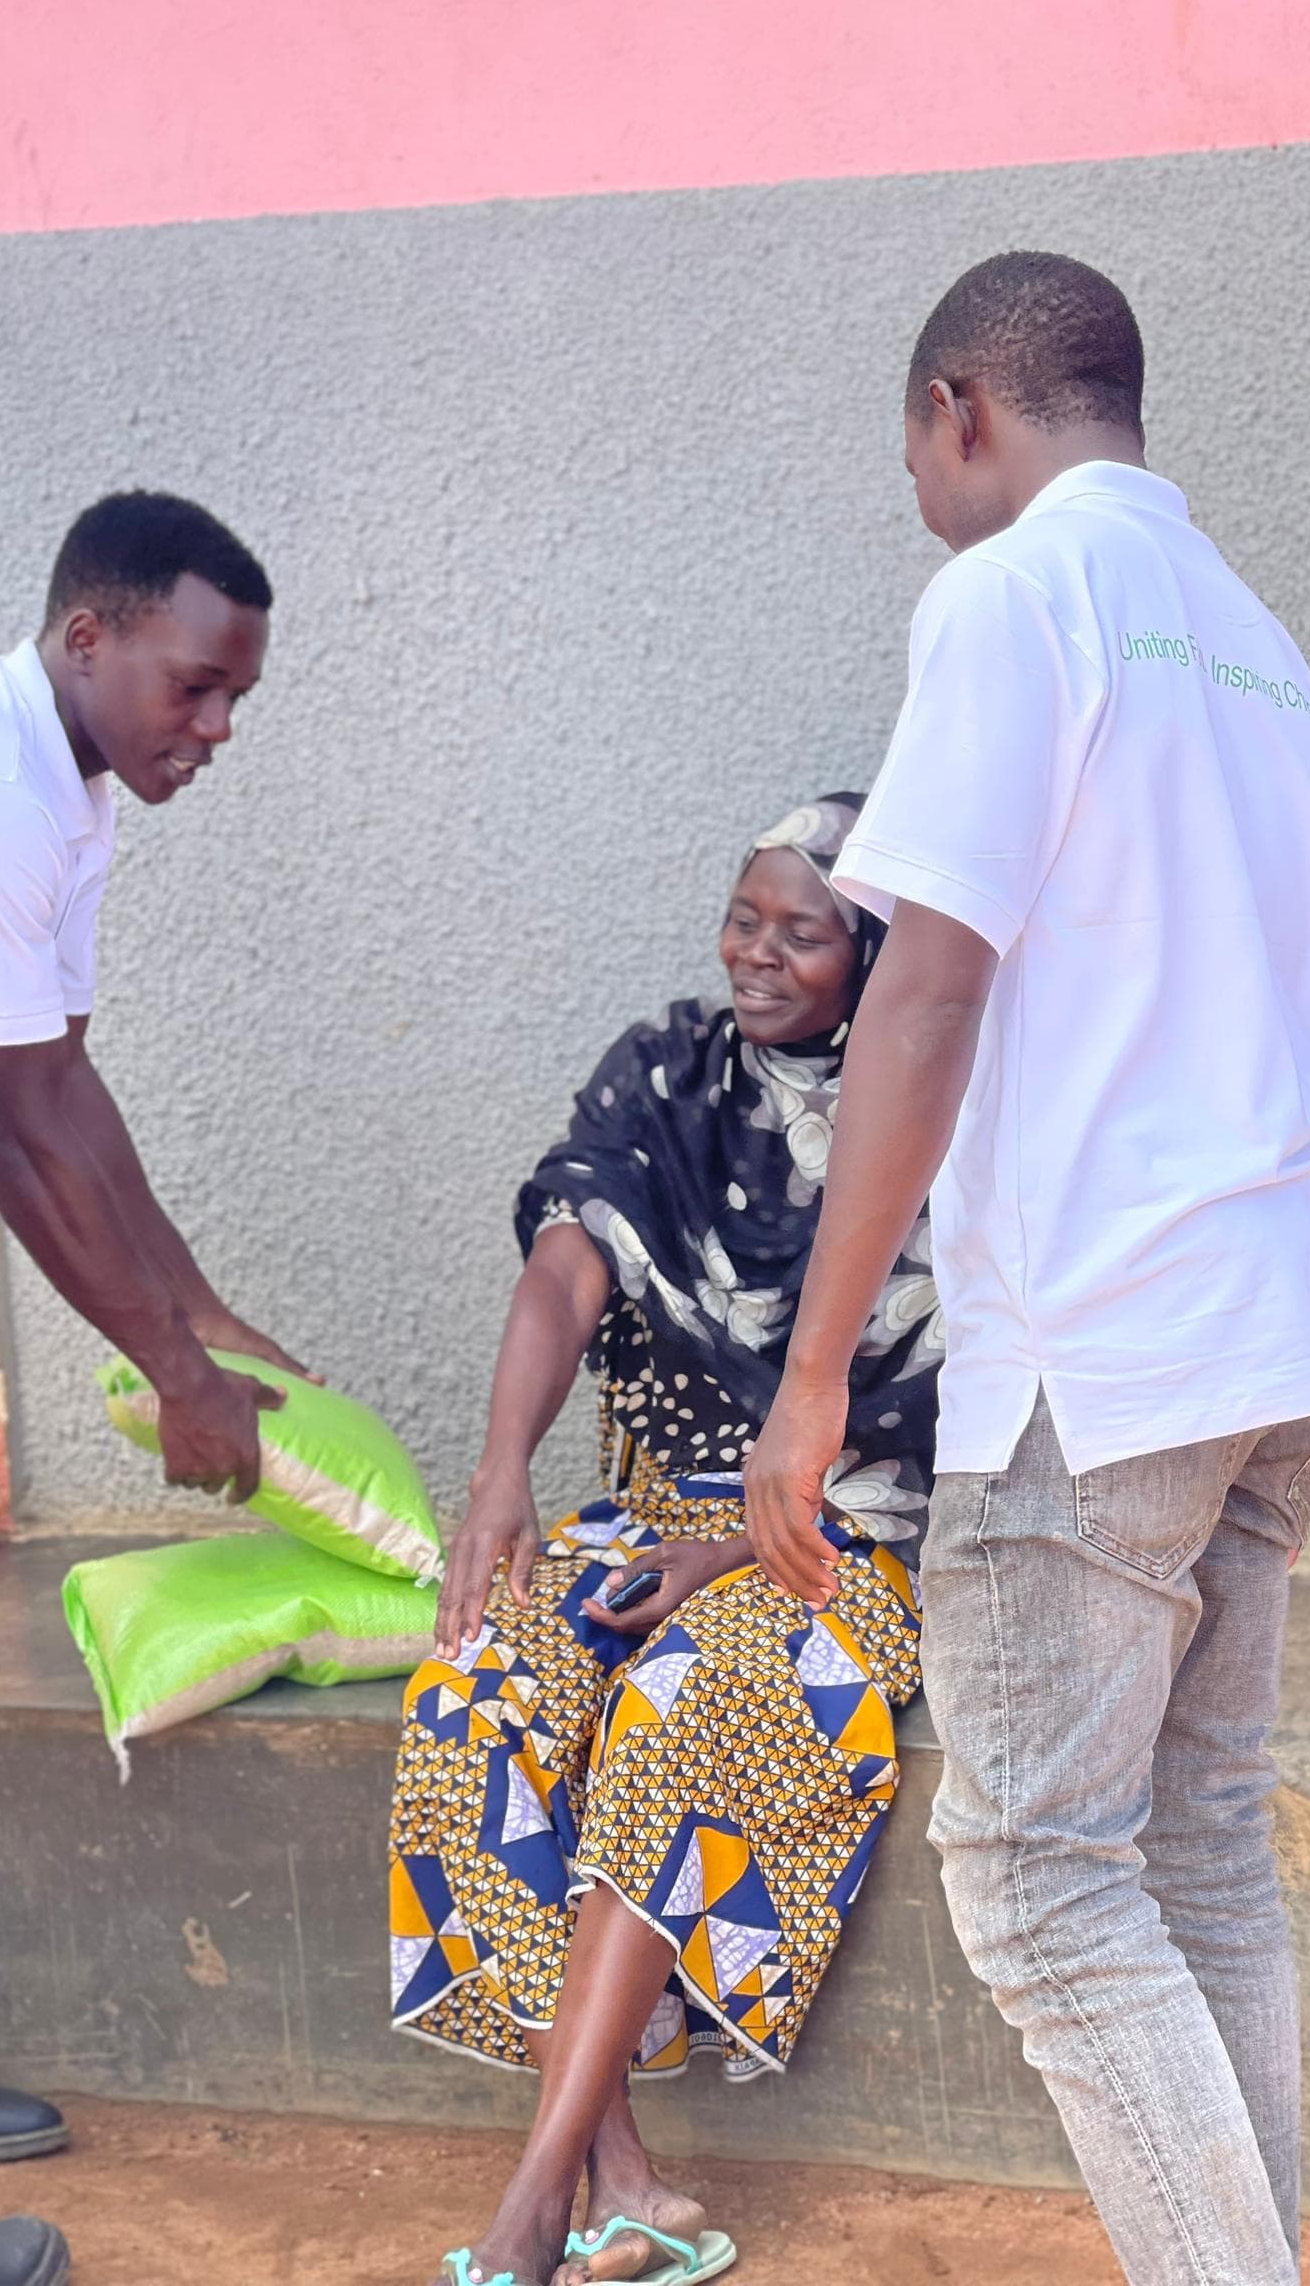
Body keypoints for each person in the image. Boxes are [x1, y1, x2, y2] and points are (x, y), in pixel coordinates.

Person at [745, 254, 1310, 2285]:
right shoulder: (1260, 644)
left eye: (919, 447)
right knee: (1189, 1857)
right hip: (1280, 1334)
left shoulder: (1012, 592)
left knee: (1035, 1881)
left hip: (1103, 1356)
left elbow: (923, 983)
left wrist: (819, 1362)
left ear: (963, 409)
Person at [397, 798, 942, 2286]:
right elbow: (568, 1268)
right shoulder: (667, 1073)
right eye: (746, 918)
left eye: (804, 933)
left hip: (856, 1540)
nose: (759, 956)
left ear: (878, 956)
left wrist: (762, 1546)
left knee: (684, 1704)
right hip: (662, 1506)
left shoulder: (939, 1113)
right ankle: (622, 2171)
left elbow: (943, 1408)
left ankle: (530, 2209)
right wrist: (504, 1467)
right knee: (482, 1678)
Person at [0, 491, 306, 2286]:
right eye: (196, 686)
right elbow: (12, 1138)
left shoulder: (66, 796)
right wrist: (168, 1376)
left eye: (238, 695)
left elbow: (68, 1096)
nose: (216, 730)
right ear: (89, 639)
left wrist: (206, 1316)